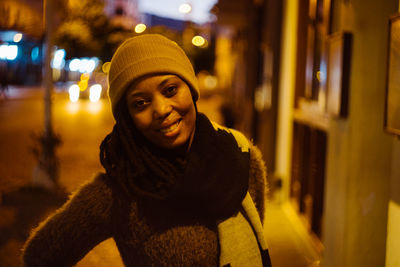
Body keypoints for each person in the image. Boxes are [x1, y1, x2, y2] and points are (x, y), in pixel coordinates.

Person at [22, 34, 271, 267]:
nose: (161, 109)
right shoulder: (121, 189)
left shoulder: (242, 159)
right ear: (127, 117)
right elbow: (40, 254)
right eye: (140, 103)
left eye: (170, 90)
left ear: (190, 88)